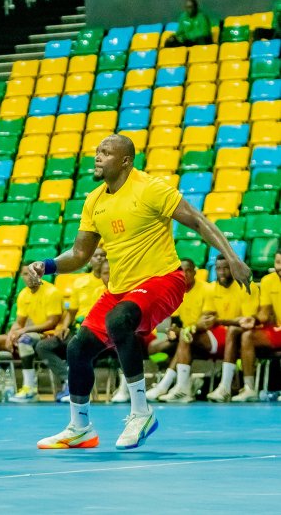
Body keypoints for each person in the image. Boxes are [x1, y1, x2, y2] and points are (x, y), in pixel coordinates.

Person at [31, 134, 251, 451]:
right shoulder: (94, 200)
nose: (97, 156)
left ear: (125, 161)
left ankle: (141, 412)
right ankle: (80, 428)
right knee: (78, 348)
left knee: (119, 320)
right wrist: (48, 265)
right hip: (121, 289)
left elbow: (198, 221)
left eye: (106, 152)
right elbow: (79, 255)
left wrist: (232, 258)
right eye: (97, 151)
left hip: (164, 280)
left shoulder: (150, 188)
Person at [148, 256, 257, 403]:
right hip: (209, 334)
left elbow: (246, 321)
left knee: (186, 335)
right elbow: (202, 319)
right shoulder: (210, 289)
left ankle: (176, 386)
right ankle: (178, 387)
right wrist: (173, 331)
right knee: (171, 340)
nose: (222, 272)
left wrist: (208, 323)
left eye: (226, 268)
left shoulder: (240, 287)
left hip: (234, 335)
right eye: (218, 269)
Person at [0, 265, 62, 403]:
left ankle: (30, 389)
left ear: (39, 274)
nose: (29, 277)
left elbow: (52, 323)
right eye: (25, 274)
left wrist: (23, 331)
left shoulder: (52, 292)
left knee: (25, 340)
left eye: (32, 273)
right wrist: (11, 334)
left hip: (49, 335)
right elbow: (19, 323)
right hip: (31, 333)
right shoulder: (23, 294)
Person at [36, 255, 108, 403]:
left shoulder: (111, 283)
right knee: (43, 346)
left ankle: (76, 386)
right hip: (78, 329)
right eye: (96, 255)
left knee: (78, 348)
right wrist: (63, 326)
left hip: (100, 332)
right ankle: (68, 378)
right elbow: (72, 311)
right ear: (90, 259)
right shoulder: (80, 282)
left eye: (103, 255)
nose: (99, 258)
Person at [142, 258, 210, 400]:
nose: (185, 274)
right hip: (185, 335)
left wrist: (182, 331)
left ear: (195, 272)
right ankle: (181, 384)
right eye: (182, 271)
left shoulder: (206, 289)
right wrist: (172, 332)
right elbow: (175, 323)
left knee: (184, 336)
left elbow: (206, 321)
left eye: (188, 271)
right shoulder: (177, 292)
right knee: (154, 347)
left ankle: (166, 386)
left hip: (203, 335)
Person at [231, 248, 281, 402]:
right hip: (278, 330)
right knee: (247, 336)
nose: (280, 267)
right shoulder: (267, 281)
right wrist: (254, 320)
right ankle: (249, 388)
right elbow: (264, 313)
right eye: (278, 263)